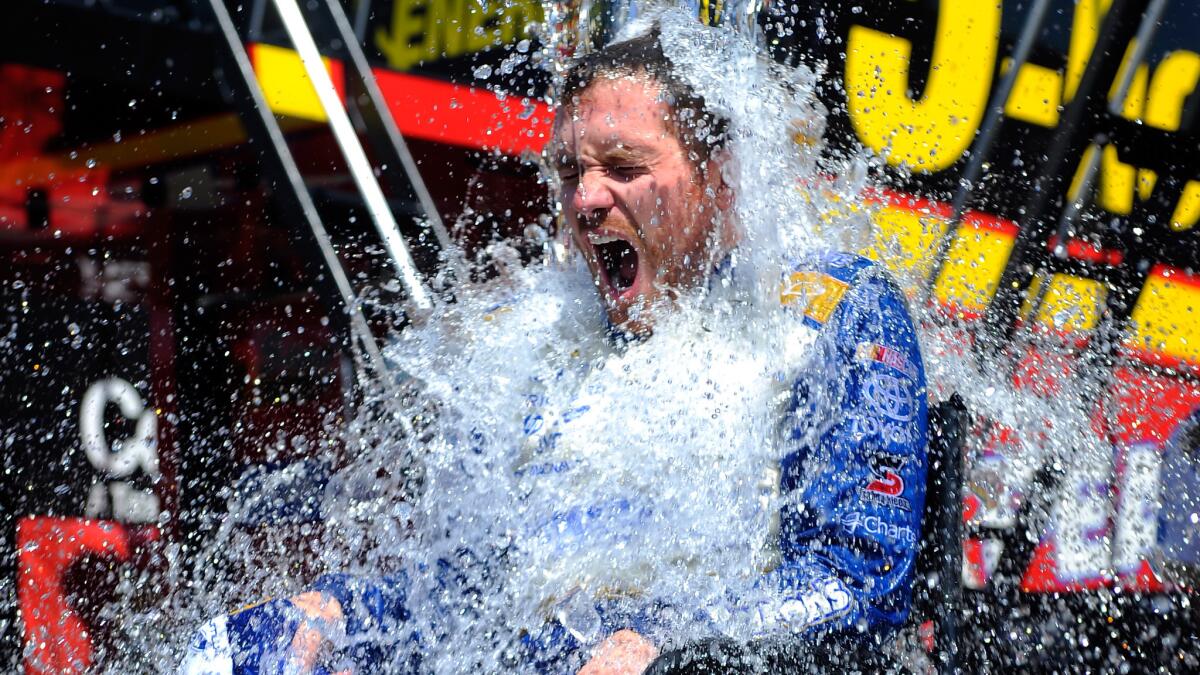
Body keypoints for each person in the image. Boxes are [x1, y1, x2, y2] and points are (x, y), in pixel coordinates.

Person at [180, 24, 928, 675]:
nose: (584, 200)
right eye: (570, 171)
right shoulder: (531, 344)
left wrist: (669, 638)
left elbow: (858, 576)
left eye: (624, 168)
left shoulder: (829, 312)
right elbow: (460, 601)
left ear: (723, 180)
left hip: (706, 660)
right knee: (251, 645)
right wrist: (340, 609)